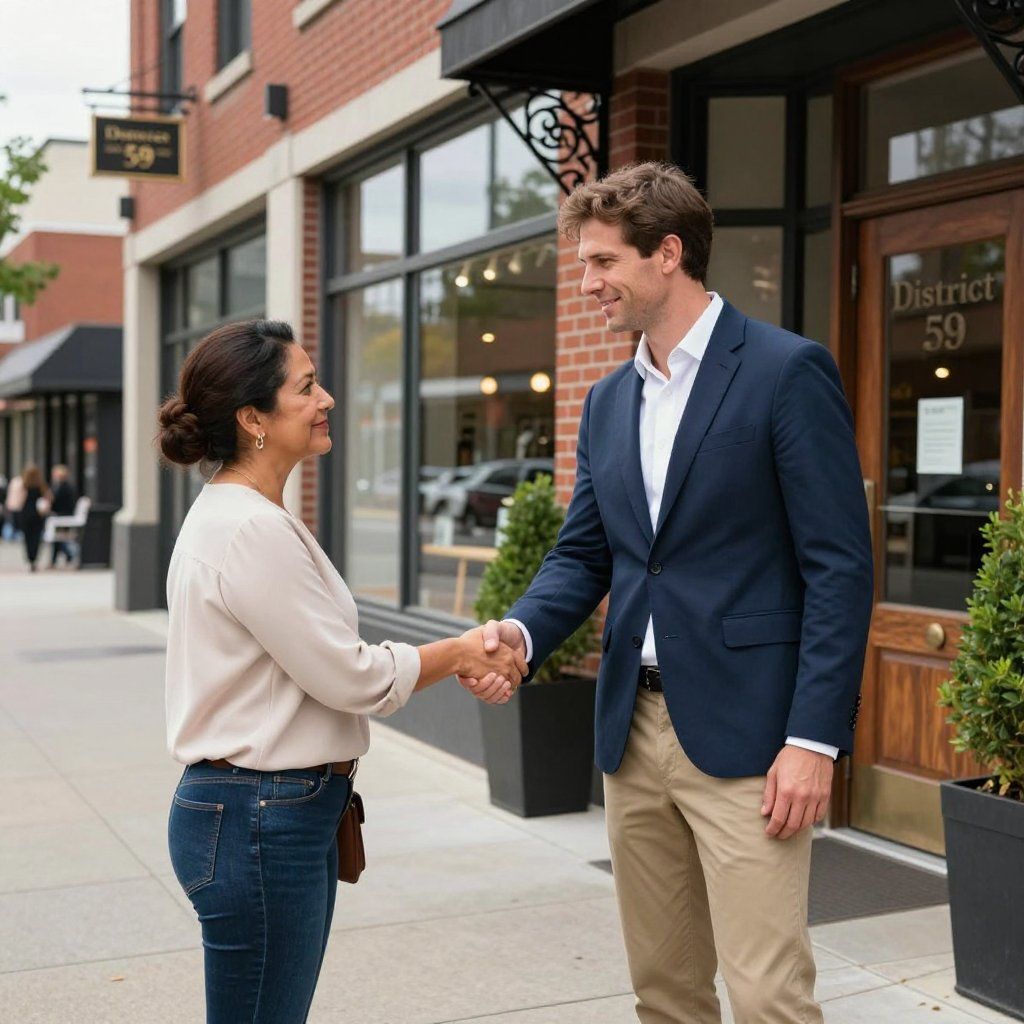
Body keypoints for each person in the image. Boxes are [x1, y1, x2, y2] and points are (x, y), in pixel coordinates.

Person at [461, 163, 873, 1023]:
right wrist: (521, 634)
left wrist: (813, 739)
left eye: (603, 263)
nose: (587, 285)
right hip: (632, 732)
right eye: (584, 266)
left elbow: (839, 568)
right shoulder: (609, 400)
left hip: (752, 735)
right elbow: (585, 554)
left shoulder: (785, 371)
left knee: (767, 996)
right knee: (665, 992)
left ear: (669, 254)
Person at [158, 318, 526, 1024]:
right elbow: (349, 677)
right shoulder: (247, 529)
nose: (325, 397)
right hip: (260, 818)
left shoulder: (244, 517)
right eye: (306, 387)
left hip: (264, 814)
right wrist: (459, 652)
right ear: (252, 419)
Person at [19, 464, 51, 572]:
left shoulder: (24, 485)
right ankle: (34, 558)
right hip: (38, 514)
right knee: (36, 537)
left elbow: (18, 500)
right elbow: (48, 497)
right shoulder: (41, 485)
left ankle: (30, 558)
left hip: (26, 513)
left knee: (27, 538)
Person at [48, 464, 78, 567]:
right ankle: (67, 556)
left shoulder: (64, 488)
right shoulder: (61, 487)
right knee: (60, 539)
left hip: (63, 516)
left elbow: (59, 502)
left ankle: (63, 557)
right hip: (61, 515)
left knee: (58, 539)